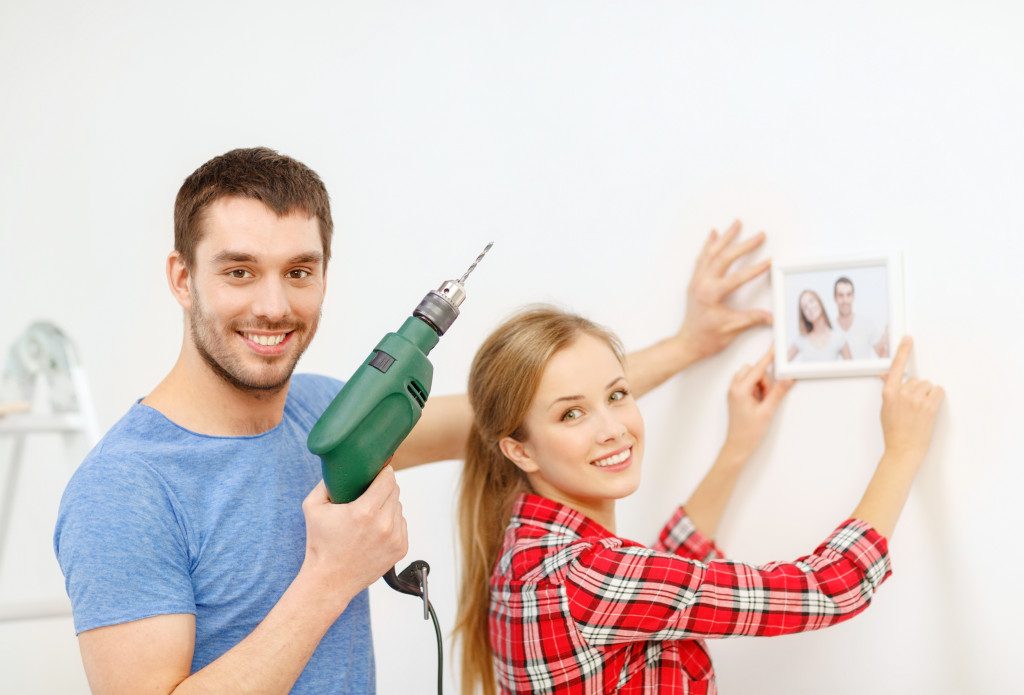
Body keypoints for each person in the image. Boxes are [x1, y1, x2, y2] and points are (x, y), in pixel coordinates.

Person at [53, 146, 775, 694]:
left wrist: (690, 344)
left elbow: (515, 414)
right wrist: (330, 579)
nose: (274, 304)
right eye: (239, 271)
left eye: (299, 271)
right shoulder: (124, 487)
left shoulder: (324, 412)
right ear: (183, 278)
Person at [454, 306, 943, 695]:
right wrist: (902, 451)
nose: (612, 429)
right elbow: (832, 588)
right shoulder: (585, 575)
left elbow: (661, 582)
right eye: (571, 414)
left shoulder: (533, 548)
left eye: (617, 394)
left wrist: (736, 449)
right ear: (519, 449)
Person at [786, 288, 851, 362]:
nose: (810, 307)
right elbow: (782, 365)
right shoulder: (802, 340)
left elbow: (853, 370)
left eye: (811, 301)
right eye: (805, 307)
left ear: (819, 302)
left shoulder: (838, 338)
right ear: (804, 316)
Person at [834, 276, 889, 359]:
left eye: (848, 295)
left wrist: (886, 338)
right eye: (841, 295)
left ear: (853, 297)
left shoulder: (866, 323)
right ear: (835, 298)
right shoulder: (829, 327)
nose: (845, 300)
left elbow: (883, 354)